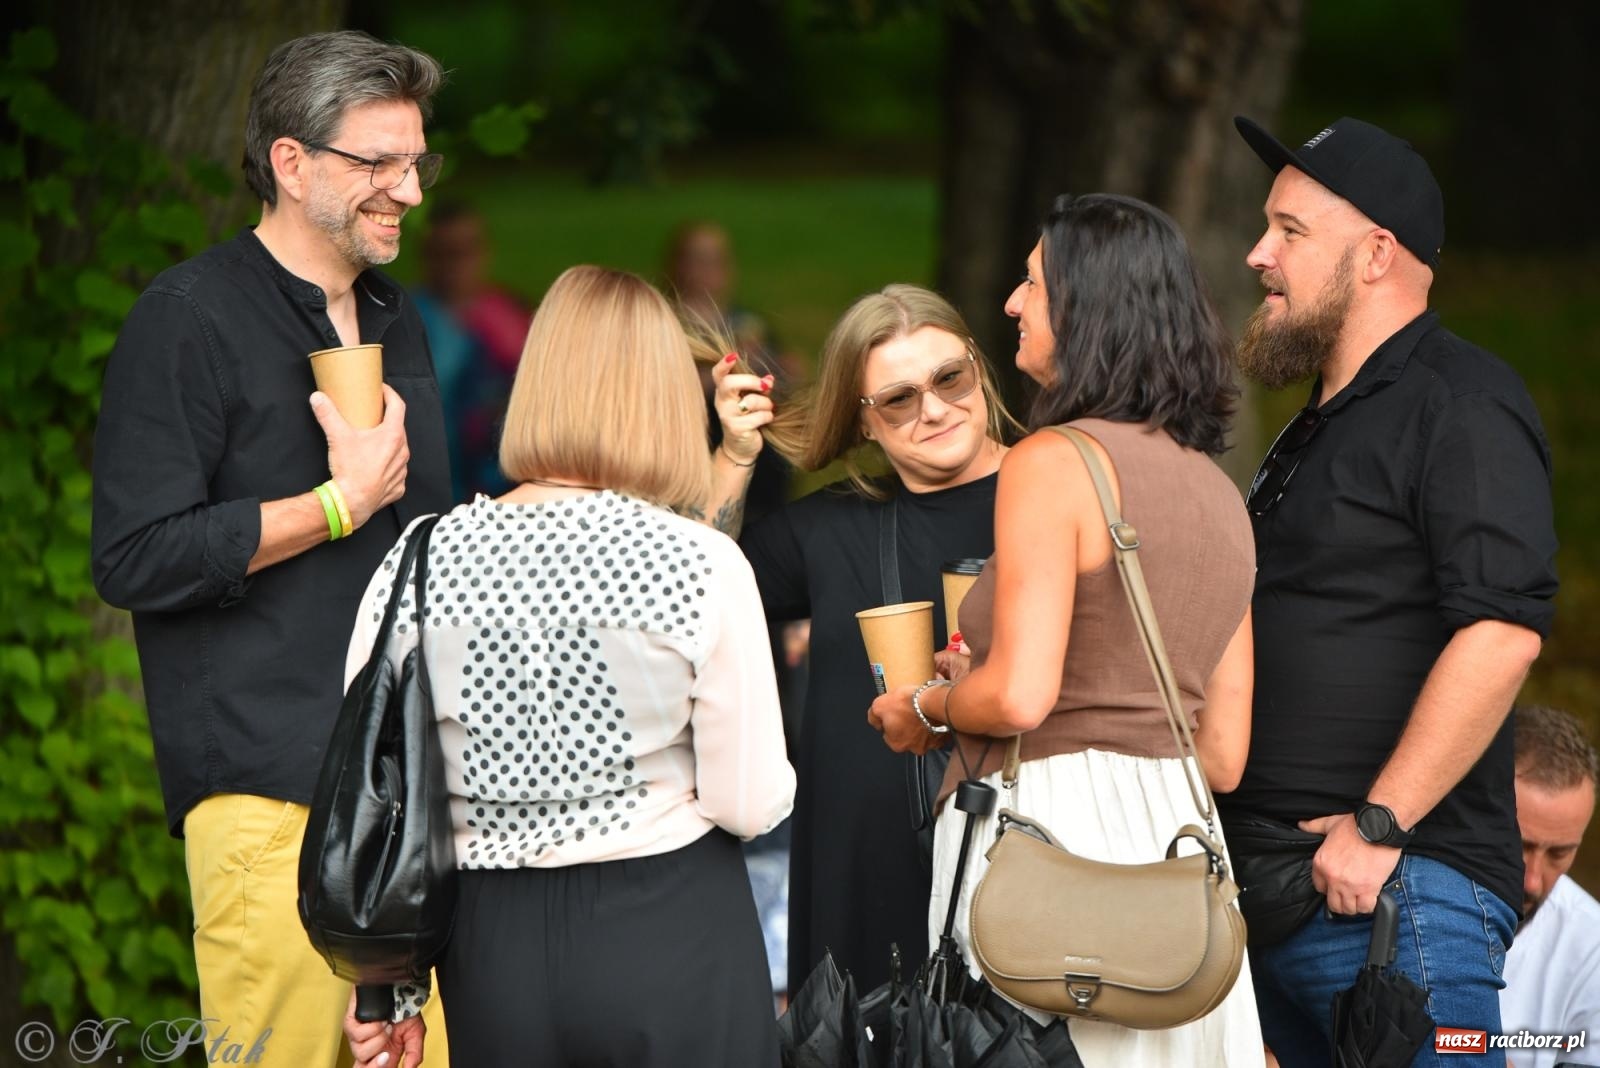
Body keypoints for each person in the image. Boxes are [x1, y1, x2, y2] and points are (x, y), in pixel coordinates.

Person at [89, 31, 453, 1067]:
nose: (407, 191)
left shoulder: (398, 318)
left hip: (408, 797)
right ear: (291, 163)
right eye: (376, 164)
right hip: (269, 799)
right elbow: (136, 556)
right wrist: (332, 505)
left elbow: (420, 543)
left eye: (415, 162)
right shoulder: (188, 317)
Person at [340, 265, 795, 1067]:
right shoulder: (698, 562)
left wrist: (393, 987)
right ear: (661, 395)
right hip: (667, 921)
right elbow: (749, 801)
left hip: (488, 948)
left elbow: (379, 791)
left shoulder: (415, 562)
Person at [869, 194, 1263, 1065]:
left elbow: (1020, 694)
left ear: (1090, 310)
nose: (1011, 302)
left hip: (1049, 835)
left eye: (1033, 282)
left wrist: (927, 706)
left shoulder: (1055, 462)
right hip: (1177, 849)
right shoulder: (1221, 496)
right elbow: (1224, 753)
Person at [1221, 114, 1559, 1066]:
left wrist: (1379, 826)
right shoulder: (1318, 423)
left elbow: (1503, 630)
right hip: (1284, 894)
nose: (1258, 254)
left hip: (1397, 896)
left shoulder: (1462, 402)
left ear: (1374, 254)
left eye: (1290, 231)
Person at [708, 284, 1017, 995]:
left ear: (978, 366)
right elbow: (698, 590)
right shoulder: (835, 526)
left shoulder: (1052, 493)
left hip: (1024, 876)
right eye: (899, 399)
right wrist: (735, 453)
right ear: (866, 421)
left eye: (949, 378)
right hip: (865, 891)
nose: (934, 409)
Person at [1501, 705, 1600, 1068]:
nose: (1532, 880)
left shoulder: (1593, 948)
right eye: (1518, 845)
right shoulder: (1387, 894)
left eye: (1559, 853)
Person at [412, 202, 530, 502]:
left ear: (485, 251)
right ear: (426, 256)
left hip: (506, 483)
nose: (458, 261)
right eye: (446, 251)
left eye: (467, 248)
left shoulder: (511, 316)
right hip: (432, 481)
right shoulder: (406, 320)